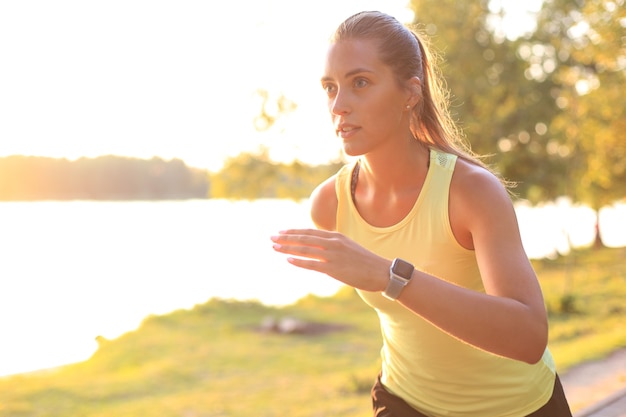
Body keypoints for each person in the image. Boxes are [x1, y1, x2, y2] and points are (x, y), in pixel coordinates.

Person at [270, 10, 572, 417]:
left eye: (360, 83)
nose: (339, 105)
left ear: (410, 93)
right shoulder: (330, 204)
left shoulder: (471, 192)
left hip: (517, 408)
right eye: (330, 87)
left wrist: (387, 275)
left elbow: (528, 337)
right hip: (404, 402)